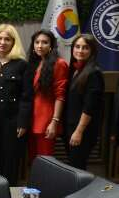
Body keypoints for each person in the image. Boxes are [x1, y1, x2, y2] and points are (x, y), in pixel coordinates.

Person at [0, 24, 32, 184]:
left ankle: (9, 192)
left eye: (7, 39)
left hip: (13, 121)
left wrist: (23, 122)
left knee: (10, 159)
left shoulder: (22, 65)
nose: (2, 42)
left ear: (14, 42)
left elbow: (26, 97)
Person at [63, 35, 104, 169]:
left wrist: (79, 131)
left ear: (92, 51)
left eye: (85, 48)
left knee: (78, 167)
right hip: (70, 126)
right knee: (74, 166)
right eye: (77, 47)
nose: (80, 50)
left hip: (82, 130)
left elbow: (89, 106)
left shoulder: (94, 73)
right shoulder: (75, 69)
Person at [26, 30, 68, 160]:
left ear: (51, 45)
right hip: (31, 119)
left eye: (44, 42)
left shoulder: (59, 63)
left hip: (46, 121)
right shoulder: (35, 63)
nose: (40, 46)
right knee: (33, 160)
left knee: (45, 161)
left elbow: (60, 96)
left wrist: (54, 122)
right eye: (37, 42)